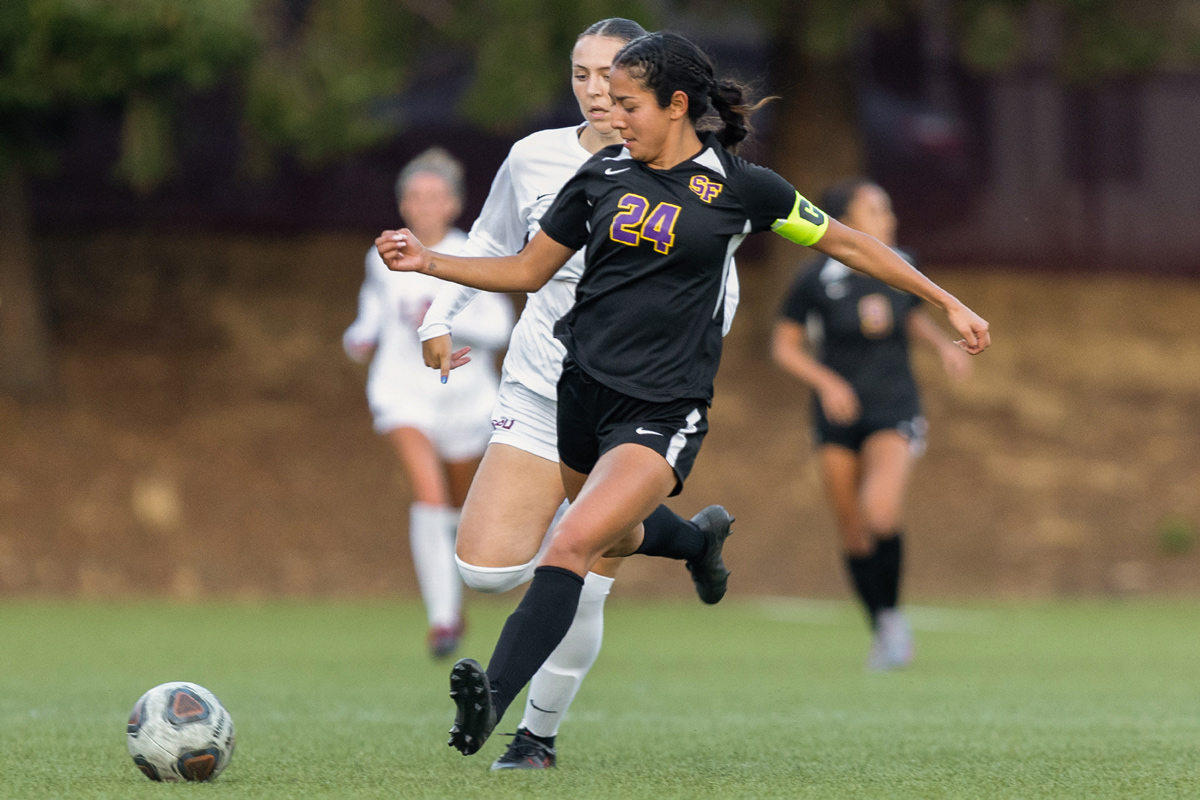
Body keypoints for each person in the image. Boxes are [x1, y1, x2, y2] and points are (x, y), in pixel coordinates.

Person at [376, 30, 990, 758]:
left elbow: (848, 243)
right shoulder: (599, 178)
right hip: (578, 397)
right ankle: (696, 539)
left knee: (573, 540)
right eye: (600, 93)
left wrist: (944, 299)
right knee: (603, 535)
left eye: (627, 101)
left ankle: (500, 712)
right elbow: (527, 270)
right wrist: (429, 262)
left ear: (674, 106)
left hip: (662, 411)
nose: (611, 112)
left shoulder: (740, 188)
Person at [416, 18, 742, 771]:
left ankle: (535, 737)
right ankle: (691, 540)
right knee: (488, 571)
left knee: (581, 565)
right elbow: (497, 246)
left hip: (638, 400)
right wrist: (437, 316)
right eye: (581, 75)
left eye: (610, 77)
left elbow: (716, 288)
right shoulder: (536, 159)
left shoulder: (704, 180)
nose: (597, 91)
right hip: (540, 391)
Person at [772, 178, 973, 671]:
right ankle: (882, 624)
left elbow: (907, 315)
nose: (889, 216)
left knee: (879, 512)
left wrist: (943, 346)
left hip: (893, 407)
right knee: (852, 528)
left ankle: (895, 620)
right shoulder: (814, 276)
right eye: (876, 208)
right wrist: (826, 382)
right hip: (837, 416)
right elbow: (784, 347)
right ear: (846, 219)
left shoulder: (899, 263)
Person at [343, 148, 513, 659]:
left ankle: (454, 603)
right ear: (402, 204)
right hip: (402, 391)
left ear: (455, 204)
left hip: (465, 399)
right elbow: (372, 313)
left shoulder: (473, 253)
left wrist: (441, 323)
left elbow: (500, 326)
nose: (424, 206)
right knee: (430, 495)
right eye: (414, 196)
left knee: (460, 511)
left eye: (435, 196)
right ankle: (442, 621)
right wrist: (360, 337)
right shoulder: (384, 254)